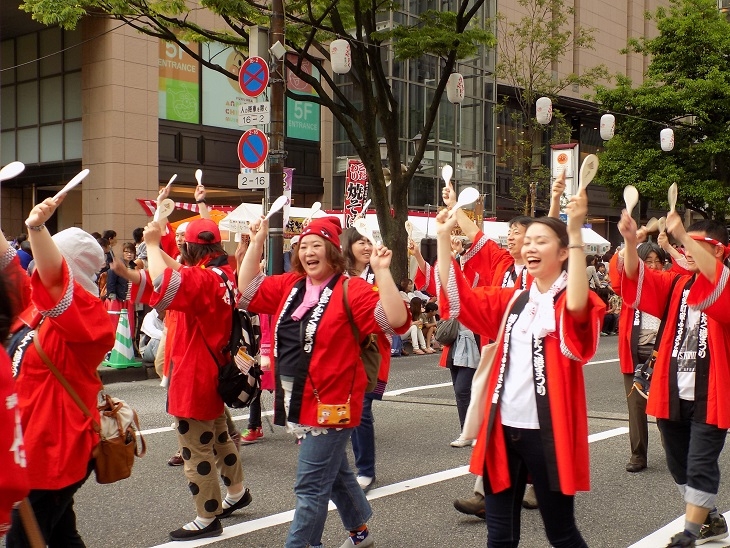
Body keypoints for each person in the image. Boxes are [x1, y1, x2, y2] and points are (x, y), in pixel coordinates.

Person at [436, 186, 604, 548]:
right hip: (502, 428)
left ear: (562, 253)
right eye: (527, 240)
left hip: (548, 433)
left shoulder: (570, 300)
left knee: (560, 532)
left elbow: (576, 307)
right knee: (499, 535)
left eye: (540, 241)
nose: (528, 247)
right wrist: (442, 241)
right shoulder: (515, 299)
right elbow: (459, 301)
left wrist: (574, 231)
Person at [238, 216, 409, 548]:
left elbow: (396, 318)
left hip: (334, 402)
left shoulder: (352, 289)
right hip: (297, 399)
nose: (308, 252)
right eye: (303, 246)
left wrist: (383, 270)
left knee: (309, 485)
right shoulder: (292, 286)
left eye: (317, 245)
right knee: (336, 473)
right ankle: (360, 534)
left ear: (333, 252)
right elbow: (247, 288)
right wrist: (256, 242)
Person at [119, 218, 250, 541]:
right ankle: (236, 491)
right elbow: (173, 274)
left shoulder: (200, 279)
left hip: (193, 372)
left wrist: (150, 244)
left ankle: (207, 514)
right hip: (213, 368)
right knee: (218, 437)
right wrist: (139, 266)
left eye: (181, 243)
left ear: (191, 247)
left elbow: (166, 285)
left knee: (195, 449)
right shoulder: (222, 273)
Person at [6, 196, 116, 547]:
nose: (33, 269)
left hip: (56, 449)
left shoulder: (86, 316)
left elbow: (54, 278)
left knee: (26, 540)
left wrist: (36, 228)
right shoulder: (35, 305)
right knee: (60, 534)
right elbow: (7, 266)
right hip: (30, 445)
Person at [617, 211, 730, 548]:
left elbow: (720, 292)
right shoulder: (677, 283)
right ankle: (709, 518)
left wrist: (680, 235)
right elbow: (639, 283)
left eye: (696, 245)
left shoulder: (725, 281)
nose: (687, 252)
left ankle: (689, 534)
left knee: (700, 461)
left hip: (710, 391)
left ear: (720, 251)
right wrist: (628, 240)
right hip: (671, 389)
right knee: (677, 460)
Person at [341, 226, 396, 493]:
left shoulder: (378, 274)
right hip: (339, 353)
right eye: (359, 242)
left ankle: (365, 470)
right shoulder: (337, 277)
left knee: (361, 409)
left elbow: (394, 316)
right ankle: (338, 467)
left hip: (370, 351)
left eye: (368, 242)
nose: (365, 247)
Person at [609, 241, 666, 473]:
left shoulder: (668, 283)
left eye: (657, 261)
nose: (653, 266)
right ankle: (638, 455)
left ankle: (675, 452)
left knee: (666, 407)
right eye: (647, 261)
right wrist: (632, 241)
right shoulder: (631, 285)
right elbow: (618, 269)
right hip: (634, 354)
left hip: (662, 354)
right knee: (636, 408)